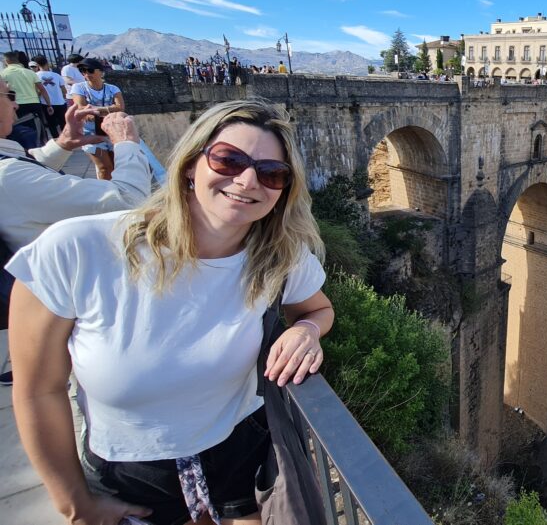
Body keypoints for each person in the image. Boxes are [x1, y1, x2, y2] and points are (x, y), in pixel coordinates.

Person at [7, 99, 333, 525]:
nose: (248, 180)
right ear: (190, 164)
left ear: (283, 191)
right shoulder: (75, 249)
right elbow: (38, 391)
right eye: (229, 160)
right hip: (130, 476)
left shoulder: (279, 257)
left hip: (239, 457)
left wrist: (306, 329)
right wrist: (73, 503)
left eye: (271, 173)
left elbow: (317, 309)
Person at [0, 77, 151, 386]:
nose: (16, 104)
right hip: (70, 300)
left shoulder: (9, 170)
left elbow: (22, 175)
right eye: (9, 95)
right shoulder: (7, 178)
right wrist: (126, 144)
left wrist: (61, 145)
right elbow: (129, 200)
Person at [69, 58, 124, 180]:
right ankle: (106, 190)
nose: (86, 74)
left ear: (100, 71)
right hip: (90, 134)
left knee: (115, 166)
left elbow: (120, 107)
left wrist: (93, 109)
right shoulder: (79, 87)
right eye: (83, 71)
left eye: (90, 70)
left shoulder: (112, 88)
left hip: (111, 132)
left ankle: (114, 187)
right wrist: (109, 108)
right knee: (105, 167)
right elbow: (81, 107)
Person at [2, 51, 51, 148]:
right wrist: (49, 104)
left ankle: (23, 150)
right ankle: (42, 148)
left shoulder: (3, 74)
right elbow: (42, 89)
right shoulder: (30, 72)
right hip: (34, 104)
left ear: (6, 61)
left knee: (19, 132)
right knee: (39, 130)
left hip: (17, 106)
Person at [31, 56, 69, 139]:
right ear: (47, 63)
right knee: (63, 123)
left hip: (46, 103)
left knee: (51, 124)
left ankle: (56, 140)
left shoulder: (35, 76)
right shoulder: (56, 75)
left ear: (37, 65)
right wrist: (62, 97)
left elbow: (37, 91)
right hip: (60, 102)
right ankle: (66, 139)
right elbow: (64, 90)